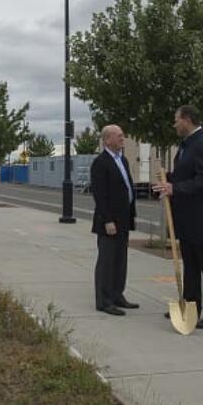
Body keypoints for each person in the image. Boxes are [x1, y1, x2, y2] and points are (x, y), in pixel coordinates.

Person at [154, 105, 203, 329]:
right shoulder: (187, 145)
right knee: (191, 266)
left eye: (176, 120)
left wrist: (175, 188)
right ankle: (190, 305)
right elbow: (186, 175)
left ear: (187, 119)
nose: (174, 124)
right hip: (188, 218)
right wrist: (167, 181)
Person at [89, 124, 138, 316]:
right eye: (119, 136)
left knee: (120, 260)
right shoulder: (101, 163)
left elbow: (126, 187)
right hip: (109, 222)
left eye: (122, 135)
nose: (122, 139)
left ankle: (117, 294)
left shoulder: (123, 160)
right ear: (107, 139)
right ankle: (104, 300)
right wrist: (107, 220)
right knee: (107, 261)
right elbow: (100, 195)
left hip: (124, 219)